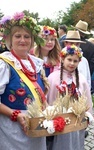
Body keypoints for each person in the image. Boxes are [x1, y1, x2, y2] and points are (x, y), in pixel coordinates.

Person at [0, 12, 49, 150]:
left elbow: (40, 93)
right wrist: (15, 114)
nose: (23, 40)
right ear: (10, 39)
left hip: (37, 125)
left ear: (32, 40)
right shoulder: (4, 64)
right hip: (13, 128)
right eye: (18, 36)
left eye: (27, 36)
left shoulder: (36, 63)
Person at [46, 44, 94, 150]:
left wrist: (87, 117)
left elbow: (87, 100)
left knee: (75, 144)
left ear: (79, 62)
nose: (72, 63)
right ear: (62, 59)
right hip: (59, 122)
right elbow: (47, 99)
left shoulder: (81, 79)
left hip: (76, 122)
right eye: (69, 59)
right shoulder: (53, 78)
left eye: (75, 61)